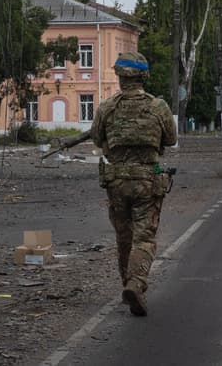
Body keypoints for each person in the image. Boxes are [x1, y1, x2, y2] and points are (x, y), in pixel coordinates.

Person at [69, 51, 177, 316]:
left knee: (124, 237)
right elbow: (171, 139)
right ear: (144, 76)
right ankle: (136, 284)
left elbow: (97, 139)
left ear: (119, 77)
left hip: (116, 181)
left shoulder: (106, 107)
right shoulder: (158, 107)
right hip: (147, 181)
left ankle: (127, 285)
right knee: (144, 237)